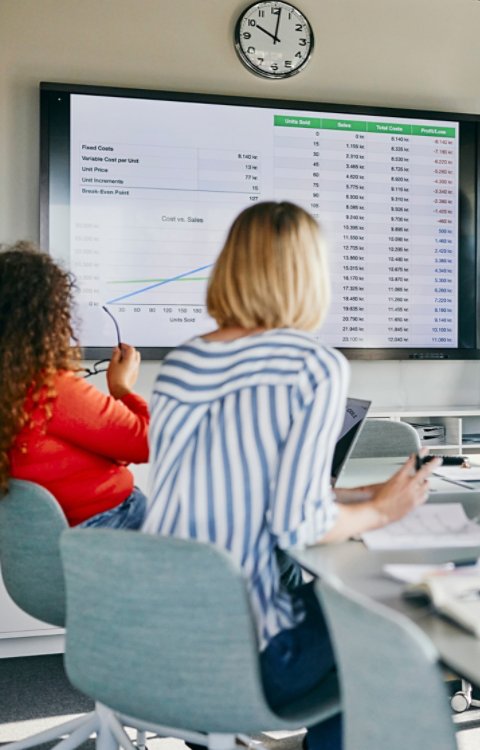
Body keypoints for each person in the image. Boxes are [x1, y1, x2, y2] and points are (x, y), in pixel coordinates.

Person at [141, 202, 438, 750]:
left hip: (158, 637)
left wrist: (360, 494)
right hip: (247, 654)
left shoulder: (183, 359)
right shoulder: (311, 365)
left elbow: (232, 483)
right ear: (308, 275)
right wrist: (381, 512)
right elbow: (296, 523)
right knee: (391, 617)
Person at [0, 242, 148, 529]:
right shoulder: (52, 390)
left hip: (52, 542)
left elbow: (58, 455)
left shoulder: (13, 393)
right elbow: (148, 442)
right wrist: (122, 389)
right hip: (112, 526)